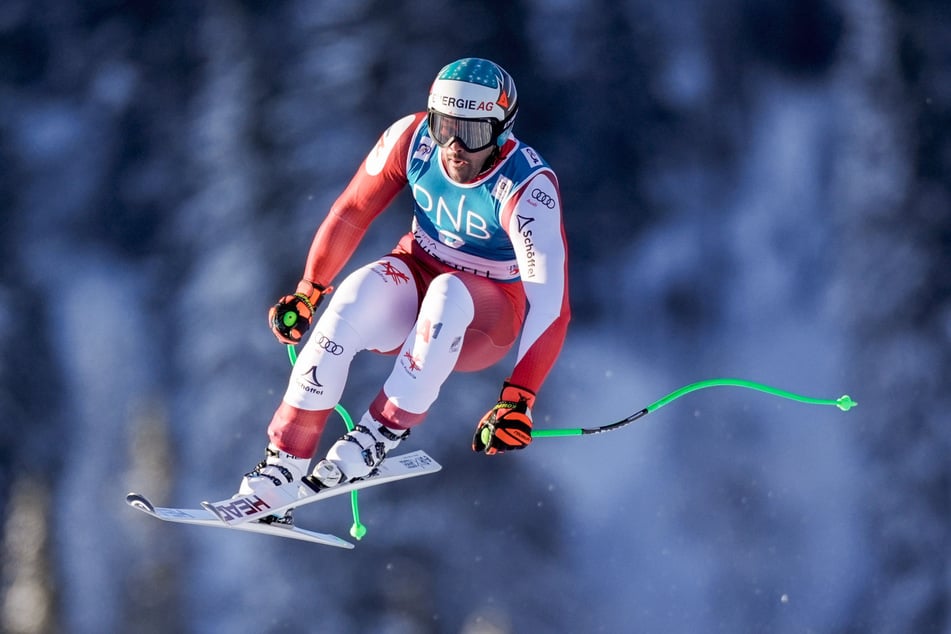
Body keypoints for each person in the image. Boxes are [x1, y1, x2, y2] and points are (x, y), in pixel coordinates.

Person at [237, 58, 570, 512]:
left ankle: (379, 434)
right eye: (444, 126)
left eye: (471, 134)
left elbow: (550, 303)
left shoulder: (527, 188)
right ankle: (282, 465)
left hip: (485, 318)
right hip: (416, 272)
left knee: (449, 293)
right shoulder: (412, 140)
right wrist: (310, 289)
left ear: (502, 131)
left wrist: (519, 396)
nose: (453, 147)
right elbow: (352, 210)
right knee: (354, 295)